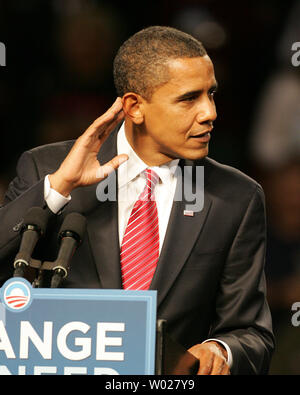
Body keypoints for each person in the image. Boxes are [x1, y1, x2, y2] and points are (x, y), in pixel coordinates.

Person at [0, 26, 274, 375]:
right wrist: (58, 189)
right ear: (134, 107)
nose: (209, 112)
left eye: (212, 94)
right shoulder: (47, 169)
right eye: (189, 98)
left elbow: (252, 333)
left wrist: (221, 349)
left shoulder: (236, 197)